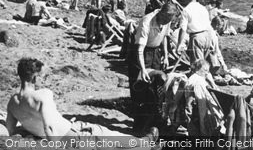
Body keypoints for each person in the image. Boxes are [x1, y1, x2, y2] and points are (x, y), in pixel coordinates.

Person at [6, 58, 158, 147]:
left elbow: (11, 130)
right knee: (111, 136)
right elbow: (49, 127)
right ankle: (145, 143)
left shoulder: (12, 102)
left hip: (55, 136)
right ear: (35, 77)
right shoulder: (43, 95)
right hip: (74, 135)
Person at [127, 2, 177, 132]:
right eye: (166, 19)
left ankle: (153, 122)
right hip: (141, 53)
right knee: (140, 90)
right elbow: (140, 48)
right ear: (162, 13)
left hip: (155, 52)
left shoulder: (167, 21)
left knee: (156, 88)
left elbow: (165, 37)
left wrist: (165, 55)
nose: (167, 22)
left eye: (169, 21)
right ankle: (138, 126)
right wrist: (143, 69)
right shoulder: (147, 21)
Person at [176, 0, 227, 73]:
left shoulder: (187, 9)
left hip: (197, 37)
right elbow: (208, 25)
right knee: (206, 65)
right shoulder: (203, 8)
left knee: (198, 66)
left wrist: (179, 44)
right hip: (208, 35)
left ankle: (201, 83)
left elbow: (183, 29)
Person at [184, 59, 224, 136]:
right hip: (197, 108)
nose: (207, 73)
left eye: (208, 71)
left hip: (192, 109)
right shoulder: (199, 81)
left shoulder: (193, 78)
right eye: (205, 70)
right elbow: (203, 100)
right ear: (198, 69)